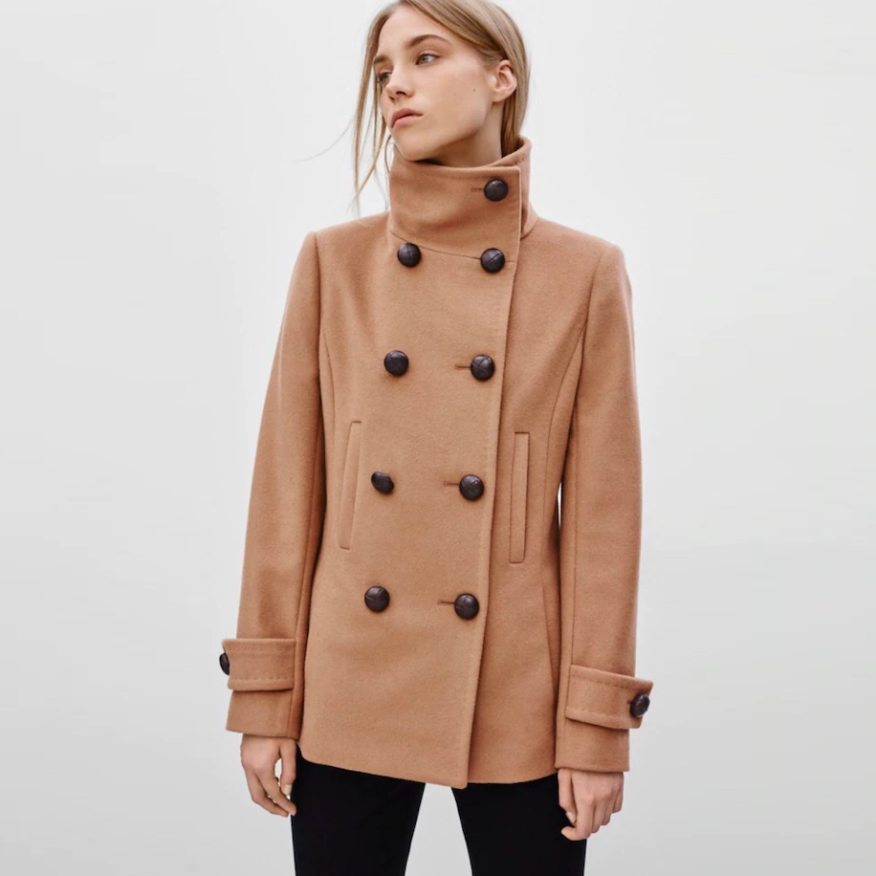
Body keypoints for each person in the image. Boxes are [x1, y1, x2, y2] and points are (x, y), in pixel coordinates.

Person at [218, 1, 654, 873]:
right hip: (349, 678)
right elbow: (285, 492)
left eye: (425, 57)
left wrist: (596, 725)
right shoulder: (333, 263)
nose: (395, 86)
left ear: (501, 77)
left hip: (516, 690)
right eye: (384, 70)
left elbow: (602, 522)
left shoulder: (584, 273)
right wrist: (266, 695)